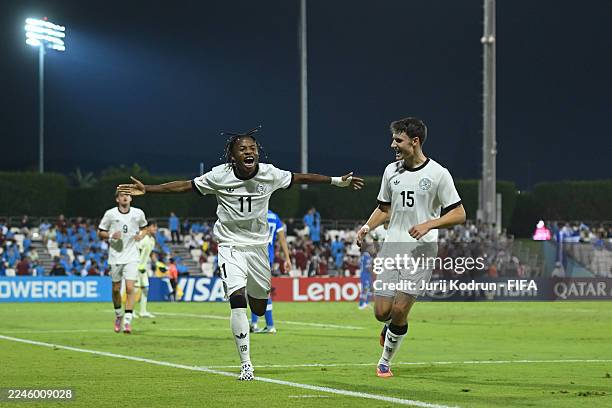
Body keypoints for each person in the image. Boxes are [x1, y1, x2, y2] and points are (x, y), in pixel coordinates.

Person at [117, 126, 363, 380]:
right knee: (237, 298)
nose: (249, 151)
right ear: (233, 155)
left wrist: (336, 181)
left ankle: (257, 311)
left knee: (258, 306)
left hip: (257, 248)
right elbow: (184, 186)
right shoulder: (219, 176)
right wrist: (149, 188)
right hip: (229, 245)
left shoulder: (270, 174)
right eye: (243, 148)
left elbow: (301, 178)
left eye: (252, 148)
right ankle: (246, 364)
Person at [356, 117, 465, 378]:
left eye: (398, 140)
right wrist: (367, 227)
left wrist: (431, 224)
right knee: (382, 313)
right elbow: (384, 209)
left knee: (400, 310)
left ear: (415, 142)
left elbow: (459, 213)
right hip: (392, 248)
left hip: (421, 251)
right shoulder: (390, 172)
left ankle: (384, 362)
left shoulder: (438, 174)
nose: (393, 144)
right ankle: (390, 328)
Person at [98, 191, 148, 334]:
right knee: (115, 289)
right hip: (115, 256)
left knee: (130, 288)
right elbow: (100, 232)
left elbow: (144, 228)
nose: (125, 197)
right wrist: (110, 235)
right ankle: (118, 315)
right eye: (121, 195)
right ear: (117, 199)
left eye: (127, 195)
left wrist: (141, 235)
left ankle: (127, 320)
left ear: (131, 198)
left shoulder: (138, 213)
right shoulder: (110, 214)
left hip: (132, 256)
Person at [250, 209, 292, 334]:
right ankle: (255, 324)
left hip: (255, 255)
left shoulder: (255, 214)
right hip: (268, 257)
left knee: (257, 290)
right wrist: (287, 259)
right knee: (257, 290)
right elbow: (282, 239)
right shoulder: (275, 217)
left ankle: (269, 325)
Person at [136, 221, 157, 317]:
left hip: (143, 268)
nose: (155, 229)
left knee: (145, 289)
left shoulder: (152, 239)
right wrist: (138, 265)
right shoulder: (141, 236)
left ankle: (143, 311)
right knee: (134, 290)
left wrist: (157, 263)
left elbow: (151, 253)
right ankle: (129, 312)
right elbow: (136, 250)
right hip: (135, 267)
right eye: (153, 227)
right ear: (147, 227)